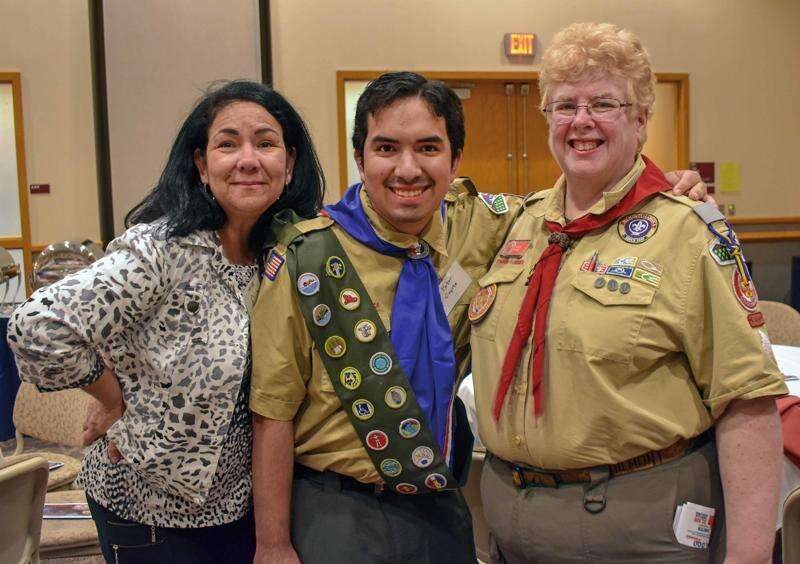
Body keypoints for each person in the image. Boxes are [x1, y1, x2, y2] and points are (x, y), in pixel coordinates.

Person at [248, 71, 709, 564]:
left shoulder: (492, 226)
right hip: (338, 512)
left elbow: (586, 208)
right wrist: (272, 544)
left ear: (455, 160)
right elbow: (272, 409)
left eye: (428, 148)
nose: (408, 169)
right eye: (386, 149)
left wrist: (665, 187)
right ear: (359, 158)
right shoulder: (306, 257)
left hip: (442, 505)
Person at [469, 23, 787, 563]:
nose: (581, 121)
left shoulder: (689, 233)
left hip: (639, 533)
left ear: (641, 120)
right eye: (564, 105)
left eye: (605, 103)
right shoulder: (514, 227)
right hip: (511, 529)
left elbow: (747, 402)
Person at [6, 80, 325, 563]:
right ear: (201, 164)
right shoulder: (162, 250)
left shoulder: (281, 255)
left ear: (290, 162)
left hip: (244, 511)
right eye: (227, 143)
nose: (248, 159)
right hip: (152, 514)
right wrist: (111, 397)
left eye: (265, 143)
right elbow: (37, 327)